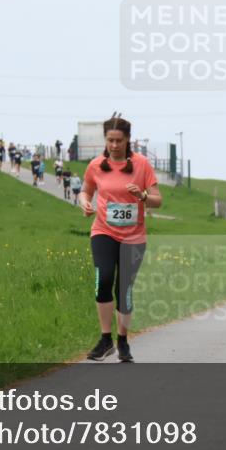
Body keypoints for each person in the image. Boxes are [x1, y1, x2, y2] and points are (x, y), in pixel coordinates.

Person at [79, 115, 161, 363]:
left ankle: (123, 341)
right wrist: (84, 202)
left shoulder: (142, 164)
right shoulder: (95, 165)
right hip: (103, 231)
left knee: (123, 288)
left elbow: (158, 199)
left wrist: (144, 195)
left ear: (128, 140)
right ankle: (106, 340)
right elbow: (86, 190)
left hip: (133, 237)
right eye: (110, 140)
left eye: (119, 140)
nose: (114, 145)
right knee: (103, 280)